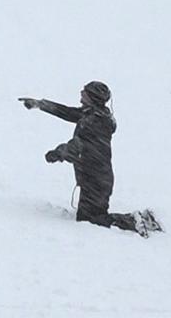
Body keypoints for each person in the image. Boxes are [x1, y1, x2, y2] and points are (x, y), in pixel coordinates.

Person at [20, 82, 157, 234]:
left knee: (92, 220)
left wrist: (56, 153)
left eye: (85, 92)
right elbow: (69, 113)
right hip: (96, 176)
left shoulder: (91, 122)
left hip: (95, 179)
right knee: (91, 217)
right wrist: (41, 104)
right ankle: (140, 220)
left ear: (92, 97)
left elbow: (75, 148)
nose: (81, 93)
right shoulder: (97, 115)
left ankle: (136, 220)